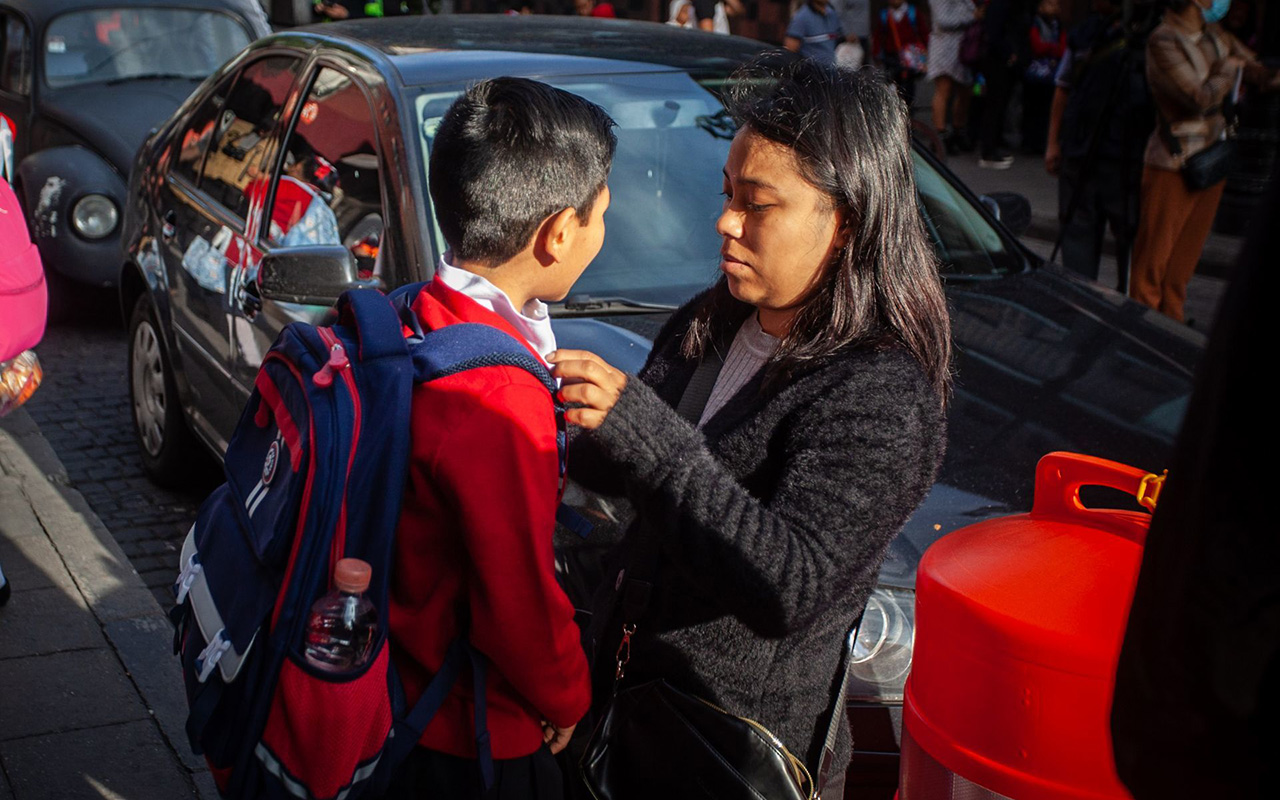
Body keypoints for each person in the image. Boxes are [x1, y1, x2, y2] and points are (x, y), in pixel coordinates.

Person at [550, 58, 950, 797]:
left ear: (846, 222)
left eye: (757, 205)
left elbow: (788, 586)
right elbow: (617, 471)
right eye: (728, 193)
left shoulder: (881, 394)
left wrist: (644, 432)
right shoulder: (713, 319)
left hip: (723, 749)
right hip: (621, 710)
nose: (725, 221)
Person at [384, 77, 616, 799]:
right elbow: (515, 596)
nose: (606, 231)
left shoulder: (418, 314)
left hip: (402, 686)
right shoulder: (498, 396)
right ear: (557, 234)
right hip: (468, 727)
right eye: (601, 214)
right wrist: (569, 697)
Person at [1129, 0, 1279, 322]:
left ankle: (1171, 326)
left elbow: (1262, 76)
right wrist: (1230, 68)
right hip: (1174, 163)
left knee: (1180, 269)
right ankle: (1141, 334)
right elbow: (1198, 99)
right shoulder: (1164, 39)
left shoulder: (1216, 35)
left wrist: (1256, 70)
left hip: (1212, 159)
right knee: (1152, 267)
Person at [1044, 0, 1152, 283]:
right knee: (1077, 239)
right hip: (1080, 153)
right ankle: (1078, 304)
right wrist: (1053, 143)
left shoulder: (1150, 35)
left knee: (1130, 241)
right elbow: (1063, 88)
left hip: (1126, 159)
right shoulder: (1085, 33)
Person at [977, 0, 1031, 168]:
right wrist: (1010, 52)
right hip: (997, 61)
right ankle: (989, 150)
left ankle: (994, 145)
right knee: (995, 104)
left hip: (1004, 60)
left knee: (1000, 104)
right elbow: (995, 34)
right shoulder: (999, 5)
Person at [927, 0, 979, 153]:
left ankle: (958, 131)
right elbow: (942, 20)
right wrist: (972, 17)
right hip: (944, 47)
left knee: (965, 91)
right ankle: (940, 135)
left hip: (963, 47)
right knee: (944, 90)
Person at [1022, 0, 1067, 154]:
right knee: (1032, 108)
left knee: (1045, 109)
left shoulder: (1058, 25)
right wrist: (1051, 48)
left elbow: (1063, 49)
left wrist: (1051, 48)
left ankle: (1041, 141)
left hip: (1051, 73)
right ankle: (1029, 141)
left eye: (1056, 4)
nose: (1054, 8)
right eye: (1050, 4)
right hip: (1036, 72)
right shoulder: (1035, 23)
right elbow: (1037, 46)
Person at [873, 0, 930, 105]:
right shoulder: (885, 15)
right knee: (892, 81)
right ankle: (895, 106)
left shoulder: (913, 12)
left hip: (910, 56)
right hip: (891, 55)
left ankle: (908, 107)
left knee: (909, 82)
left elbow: (923, 32)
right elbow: (878, 35)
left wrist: (927, 49)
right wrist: (876, 53)